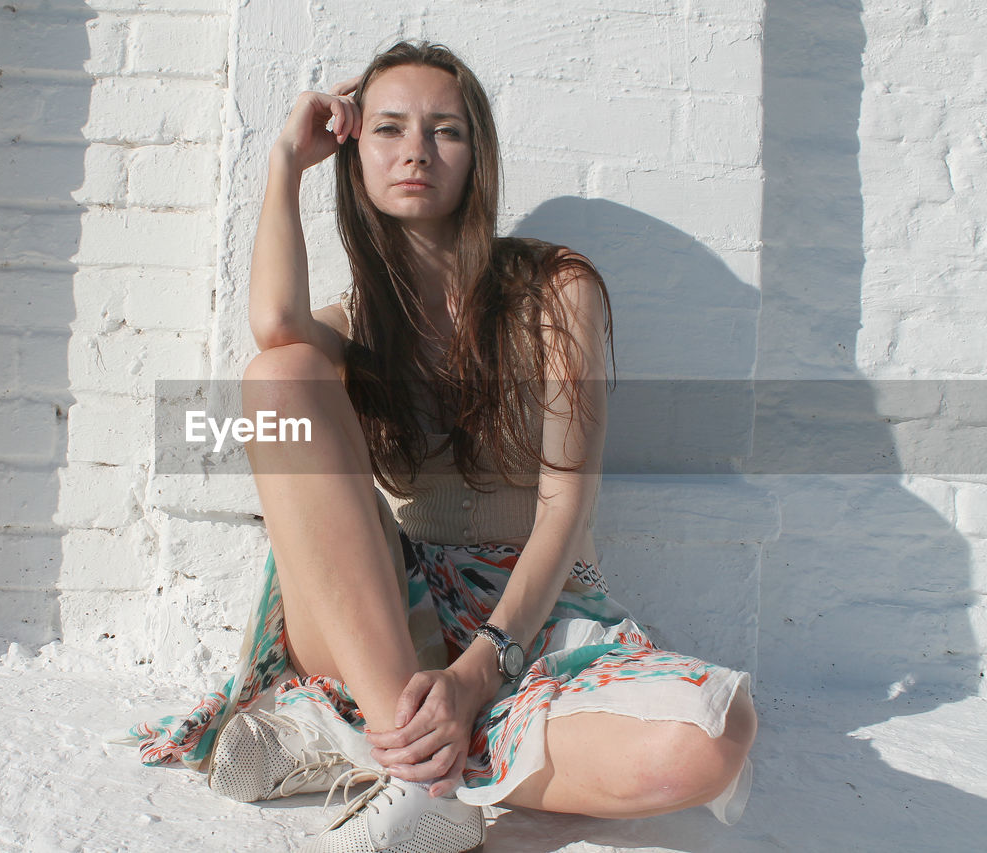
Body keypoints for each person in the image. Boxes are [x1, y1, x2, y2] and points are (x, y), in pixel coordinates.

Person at [125, 40, 757, 853]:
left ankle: (365, 746)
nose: (416, 149)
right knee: (278, 379)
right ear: (355, 157)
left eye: (444, 130)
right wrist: (285, 159)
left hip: (529, 617)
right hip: (384, 612)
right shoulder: (357, 324)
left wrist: (477, 672)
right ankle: (421, 775)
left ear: (476, 155)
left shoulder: (555, 291)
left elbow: (566, 507)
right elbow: (275, 331)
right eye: (387, 128)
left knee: (712, 736)